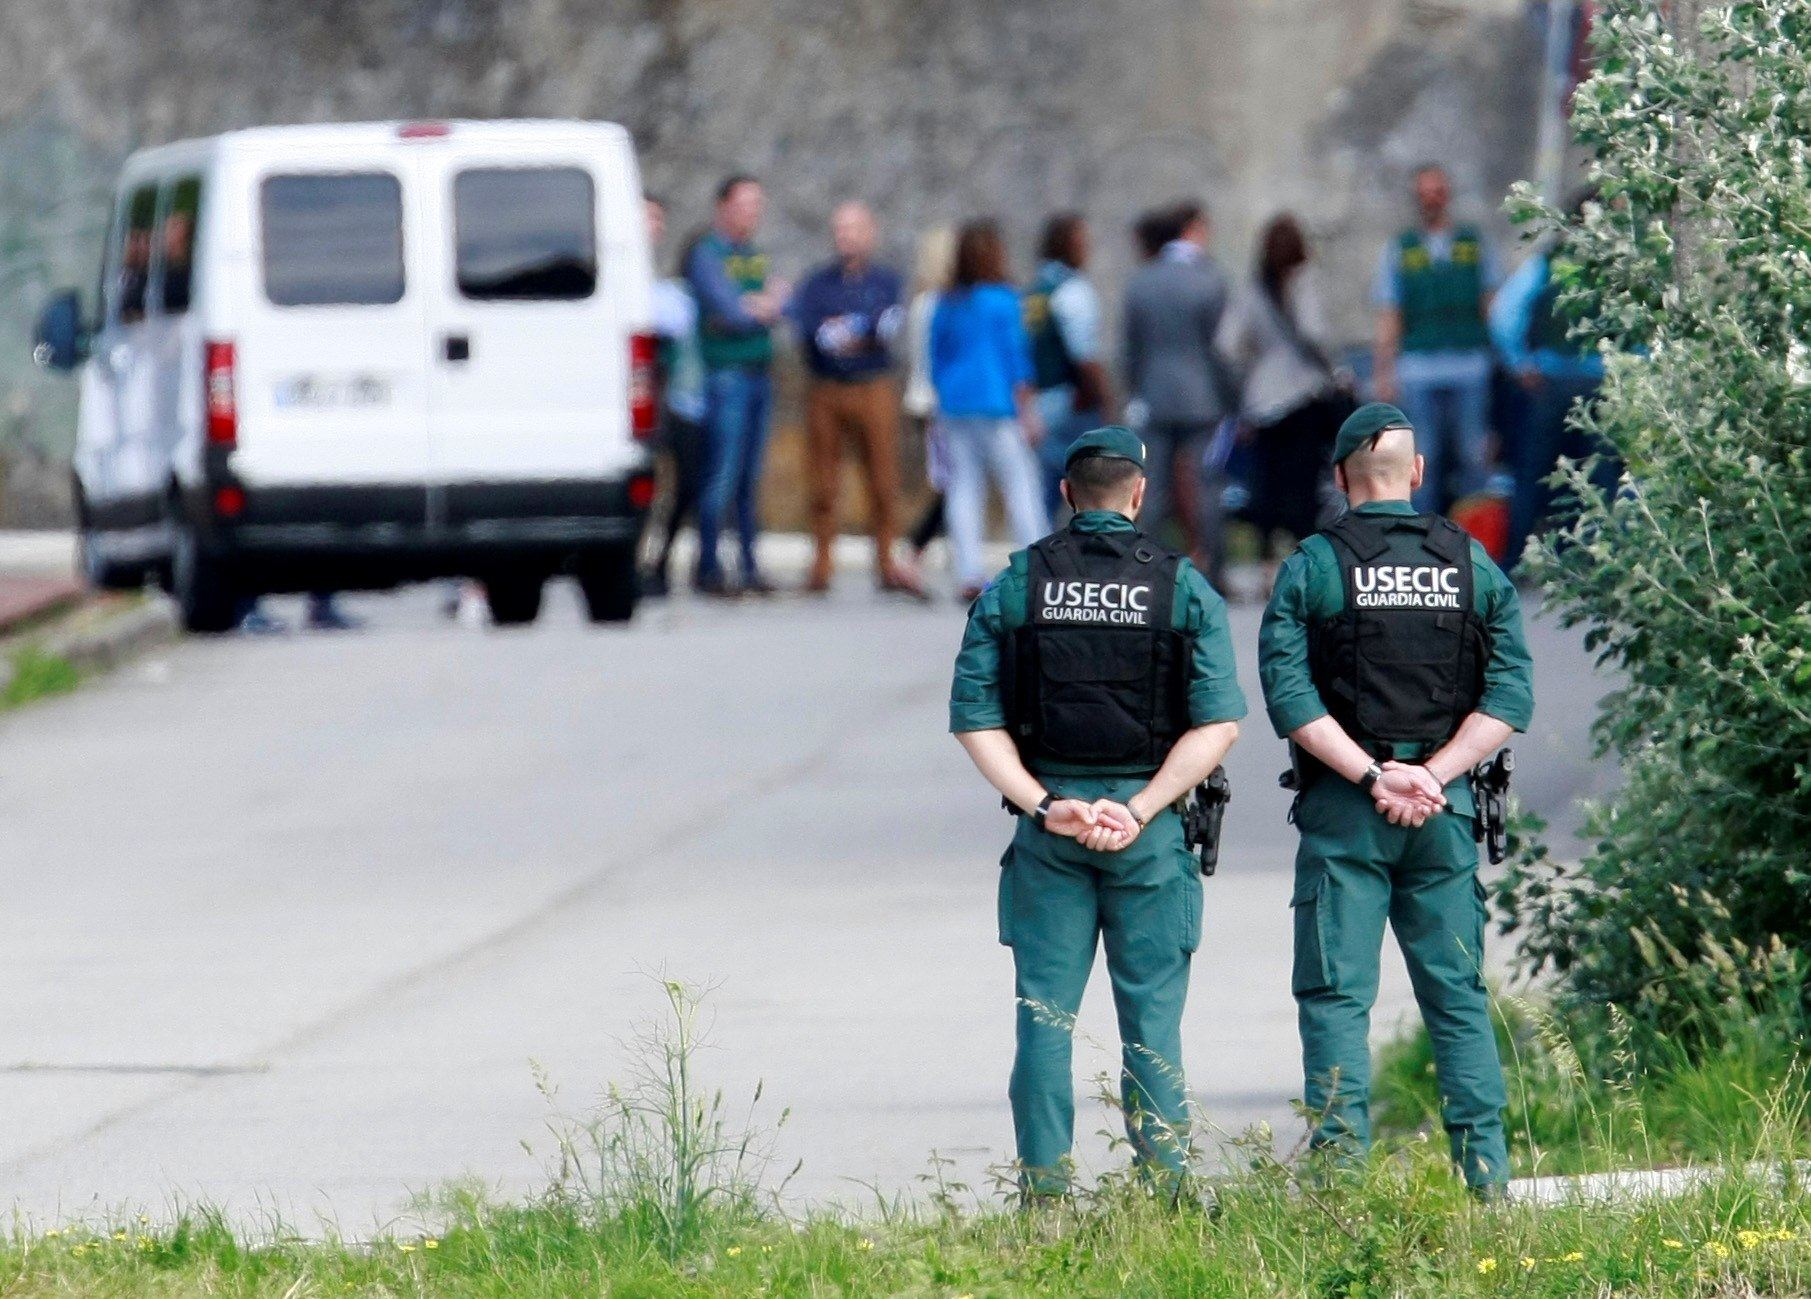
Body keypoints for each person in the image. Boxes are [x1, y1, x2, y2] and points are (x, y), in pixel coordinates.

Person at [950, 425, 1245, 1199]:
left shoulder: (1015, 583)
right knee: (1151, 1025)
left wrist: (1045, 803)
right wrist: (1141, 808)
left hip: (1049, 830)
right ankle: (1166, 1195)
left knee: (1043, 1021)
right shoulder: (1182, 586)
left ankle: (1043, 1197)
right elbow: (1217, 723)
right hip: (1146, 835)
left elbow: (974, 719)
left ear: (1064, 495)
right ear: (1140, 494)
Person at [1258, 402, 1534, 1197]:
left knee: (1337, 998)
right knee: (1456, 999)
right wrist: (1435, 774)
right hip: (1441, 817)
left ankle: (1342, 1189)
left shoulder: (1313, 564)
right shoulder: (1470, 563)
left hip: (1347, 813)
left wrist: (1375, 777)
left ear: (1341, 479)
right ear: (1416, 475)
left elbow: (1290, 697)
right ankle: (1486, 1185)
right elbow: (1509, 694)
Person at [789, 202, 923, 596]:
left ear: (870, 233)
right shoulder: (817, 283)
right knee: (823, 479)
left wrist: (849, 334)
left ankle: (884, 560)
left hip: (874, 386)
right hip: (827, 388)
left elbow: (884, 327)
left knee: (882, 476)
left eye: (854, 229)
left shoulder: (885, 281)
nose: (845, 237)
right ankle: (822, 562)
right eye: (840, 229)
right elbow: (813, 332)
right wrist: (849, 334)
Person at [1217, 214, 1352, 560]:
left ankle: (1266, 558)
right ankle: (1303, 551)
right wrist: (1332, 367)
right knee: (1303, 482)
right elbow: (1313, 332)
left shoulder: (1252, 289)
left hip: (1262, 397)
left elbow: (1228, 344)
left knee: (1266, 482)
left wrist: (1256, 363)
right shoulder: (1303, 280)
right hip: (1302, 394)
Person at [1370, 165, 1503, 514]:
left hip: (1469, 365)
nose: (1431, 200)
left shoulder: (1473, 244)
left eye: (1438, 192)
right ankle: (1423, 539)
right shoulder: (1401, 249)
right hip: (1417, 368)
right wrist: (1384, 373)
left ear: (1448, 196)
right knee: (1421, 460)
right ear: (1416, 199)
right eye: (1424, 193)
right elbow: (1390, 314)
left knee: (1474, 457)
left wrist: (1505, 358)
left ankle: (1478, 544)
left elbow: (1491, 305)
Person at [1120, 200, 1238, 587]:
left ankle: (1145, 567)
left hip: (1154, 396)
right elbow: (1223, 350)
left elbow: (1130, 349)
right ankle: (1215, 569)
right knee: (1206, 484)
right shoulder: (1210, 280)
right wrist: (1233, 398)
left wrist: (1134, 389)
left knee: (1151, 486)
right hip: (1203, 397)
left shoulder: (1142, 281)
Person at [928, 220, 1047, 601]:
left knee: (964, 488)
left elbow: (936, 356)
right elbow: (1017, 358)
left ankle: (968, 571)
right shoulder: (1004, 299)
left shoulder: (946, 302)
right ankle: (1036, 566)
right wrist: (1028, 409)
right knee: (1020, 485)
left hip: (956, 403)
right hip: (998, 403)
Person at [1488, 195, 1607, 571]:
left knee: (1534, 473)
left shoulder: (1549, 262)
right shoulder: (1618, 264)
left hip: (1551, 382)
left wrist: (1519, 364)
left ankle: (1514, 561)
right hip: (1597, 382)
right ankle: (1590, 563)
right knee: (1596, 478)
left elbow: (1504, 314)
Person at [685, 176, 788, 596]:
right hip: (725, 376)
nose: (753, 212)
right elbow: (729, 311)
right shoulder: (707, 255)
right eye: (745, 204)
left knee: (750, 477)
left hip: (760, 373)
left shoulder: (756, 256)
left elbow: (785, 306)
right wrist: (761, 306)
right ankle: (708, 565)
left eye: (758, 204)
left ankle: (749, 565)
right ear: (723, 206)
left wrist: (760, 306)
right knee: (721, 475)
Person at [641, 197, 708, 599]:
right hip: (642, 395)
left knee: (687, 483)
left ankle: (662, 559)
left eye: (658, 218)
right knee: (642, 485)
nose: (654, 226)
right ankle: (637, 563)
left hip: (680, 396)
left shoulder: (672, 280)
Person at [1024, 213, 1110, 517]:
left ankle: (1036, 550)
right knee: (1094, 488)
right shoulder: (1072, 290)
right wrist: (1103, 398)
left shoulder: (1034, 291)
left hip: (1038, 399)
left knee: (1042, 492)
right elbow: (1085, 356)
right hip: (1070, 400)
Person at [903, 227, 957, 565]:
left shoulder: (924, 303)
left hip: (928, 402)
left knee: (953, 484)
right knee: (954, 485)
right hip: (939, 404)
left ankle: (921, 550)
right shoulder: (936, 305)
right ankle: (914, 549)